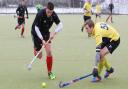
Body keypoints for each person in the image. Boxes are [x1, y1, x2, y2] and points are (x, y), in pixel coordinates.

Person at [31, 2, 63, 80]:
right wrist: (42, 40)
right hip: (36, 33)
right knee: (39, 56)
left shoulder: (53, 14)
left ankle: (49, 72)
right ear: (46, 8)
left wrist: (54, 33)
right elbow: (36, 28)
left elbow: (60, 25)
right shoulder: (40, 14)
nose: (49, 14)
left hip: (45, 32)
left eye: (51, 12)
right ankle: (35, 47)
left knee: (49, 52)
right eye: (48, 12)